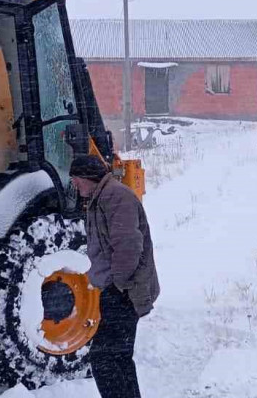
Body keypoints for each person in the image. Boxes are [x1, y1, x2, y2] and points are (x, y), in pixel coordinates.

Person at [69, 155, 160, 398]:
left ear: (89, 178)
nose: (75, 186)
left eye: (76, 180)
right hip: (116, 289)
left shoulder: (116, 197)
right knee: (118, 358)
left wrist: (118, 284)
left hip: (123, 291)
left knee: (104, 359)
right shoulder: (101, 197)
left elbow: (128, 246)